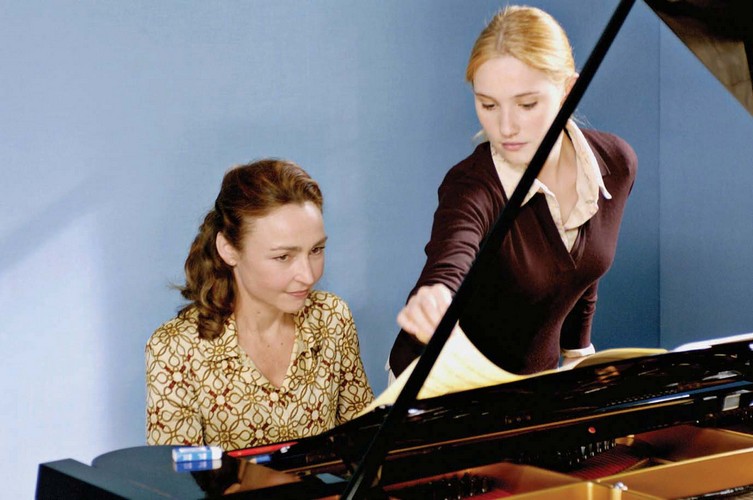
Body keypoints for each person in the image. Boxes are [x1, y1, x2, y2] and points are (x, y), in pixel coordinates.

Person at [389, 5, 637, 379]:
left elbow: (583, 271)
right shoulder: (471, 185)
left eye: (526, 104)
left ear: (568, 90)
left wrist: (577, 354)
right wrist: (434, 295)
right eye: (488, 104)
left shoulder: (616, 163)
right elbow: (448, 262)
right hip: (441, 380)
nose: (505, 127)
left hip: (532, 383)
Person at [146, 159, 374, 450]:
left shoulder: (332, 318)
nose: (308, 275)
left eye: (316, 250)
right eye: (283, 257)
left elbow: (366, 443)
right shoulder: (175, 349)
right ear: (229, 249)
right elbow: (178, 474)